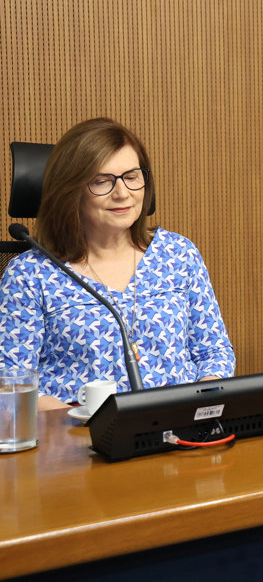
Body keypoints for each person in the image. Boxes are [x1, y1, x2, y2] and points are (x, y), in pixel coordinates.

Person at [0, 118, 235, 410]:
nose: (122, 193)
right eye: (102, 181)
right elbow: (10, 382)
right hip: (74, 432)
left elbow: (213, 353)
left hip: (177, 427)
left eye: (132, 177)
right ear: (70, 191)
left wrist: (201, 406)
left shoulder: (178, 254)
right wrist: (88, 421)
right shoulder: (30, 274)